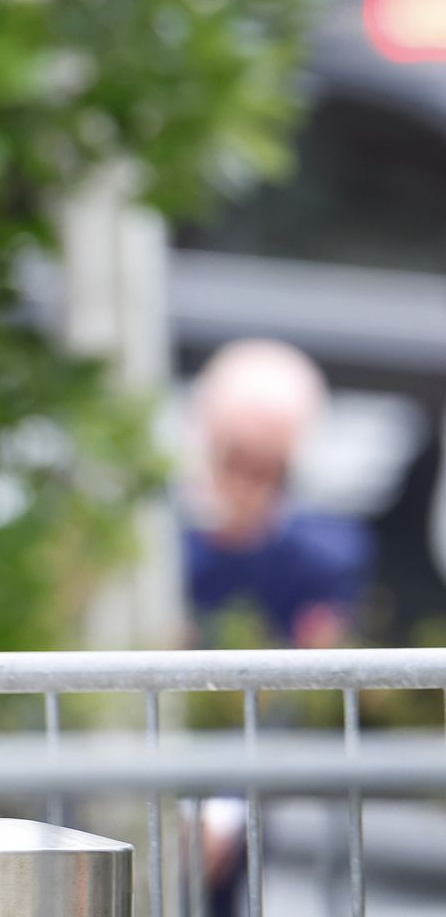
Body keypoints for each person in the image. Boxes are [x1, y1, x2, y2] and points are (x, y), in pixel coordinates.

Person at [180, 337, 374, 917]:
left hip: (248, 793)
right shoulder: (155, 546)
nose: (249, 481)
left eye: (267, 465)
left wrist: (226, 808)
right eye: (237, 456)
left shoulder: (325, 558)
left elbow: (298, 692)